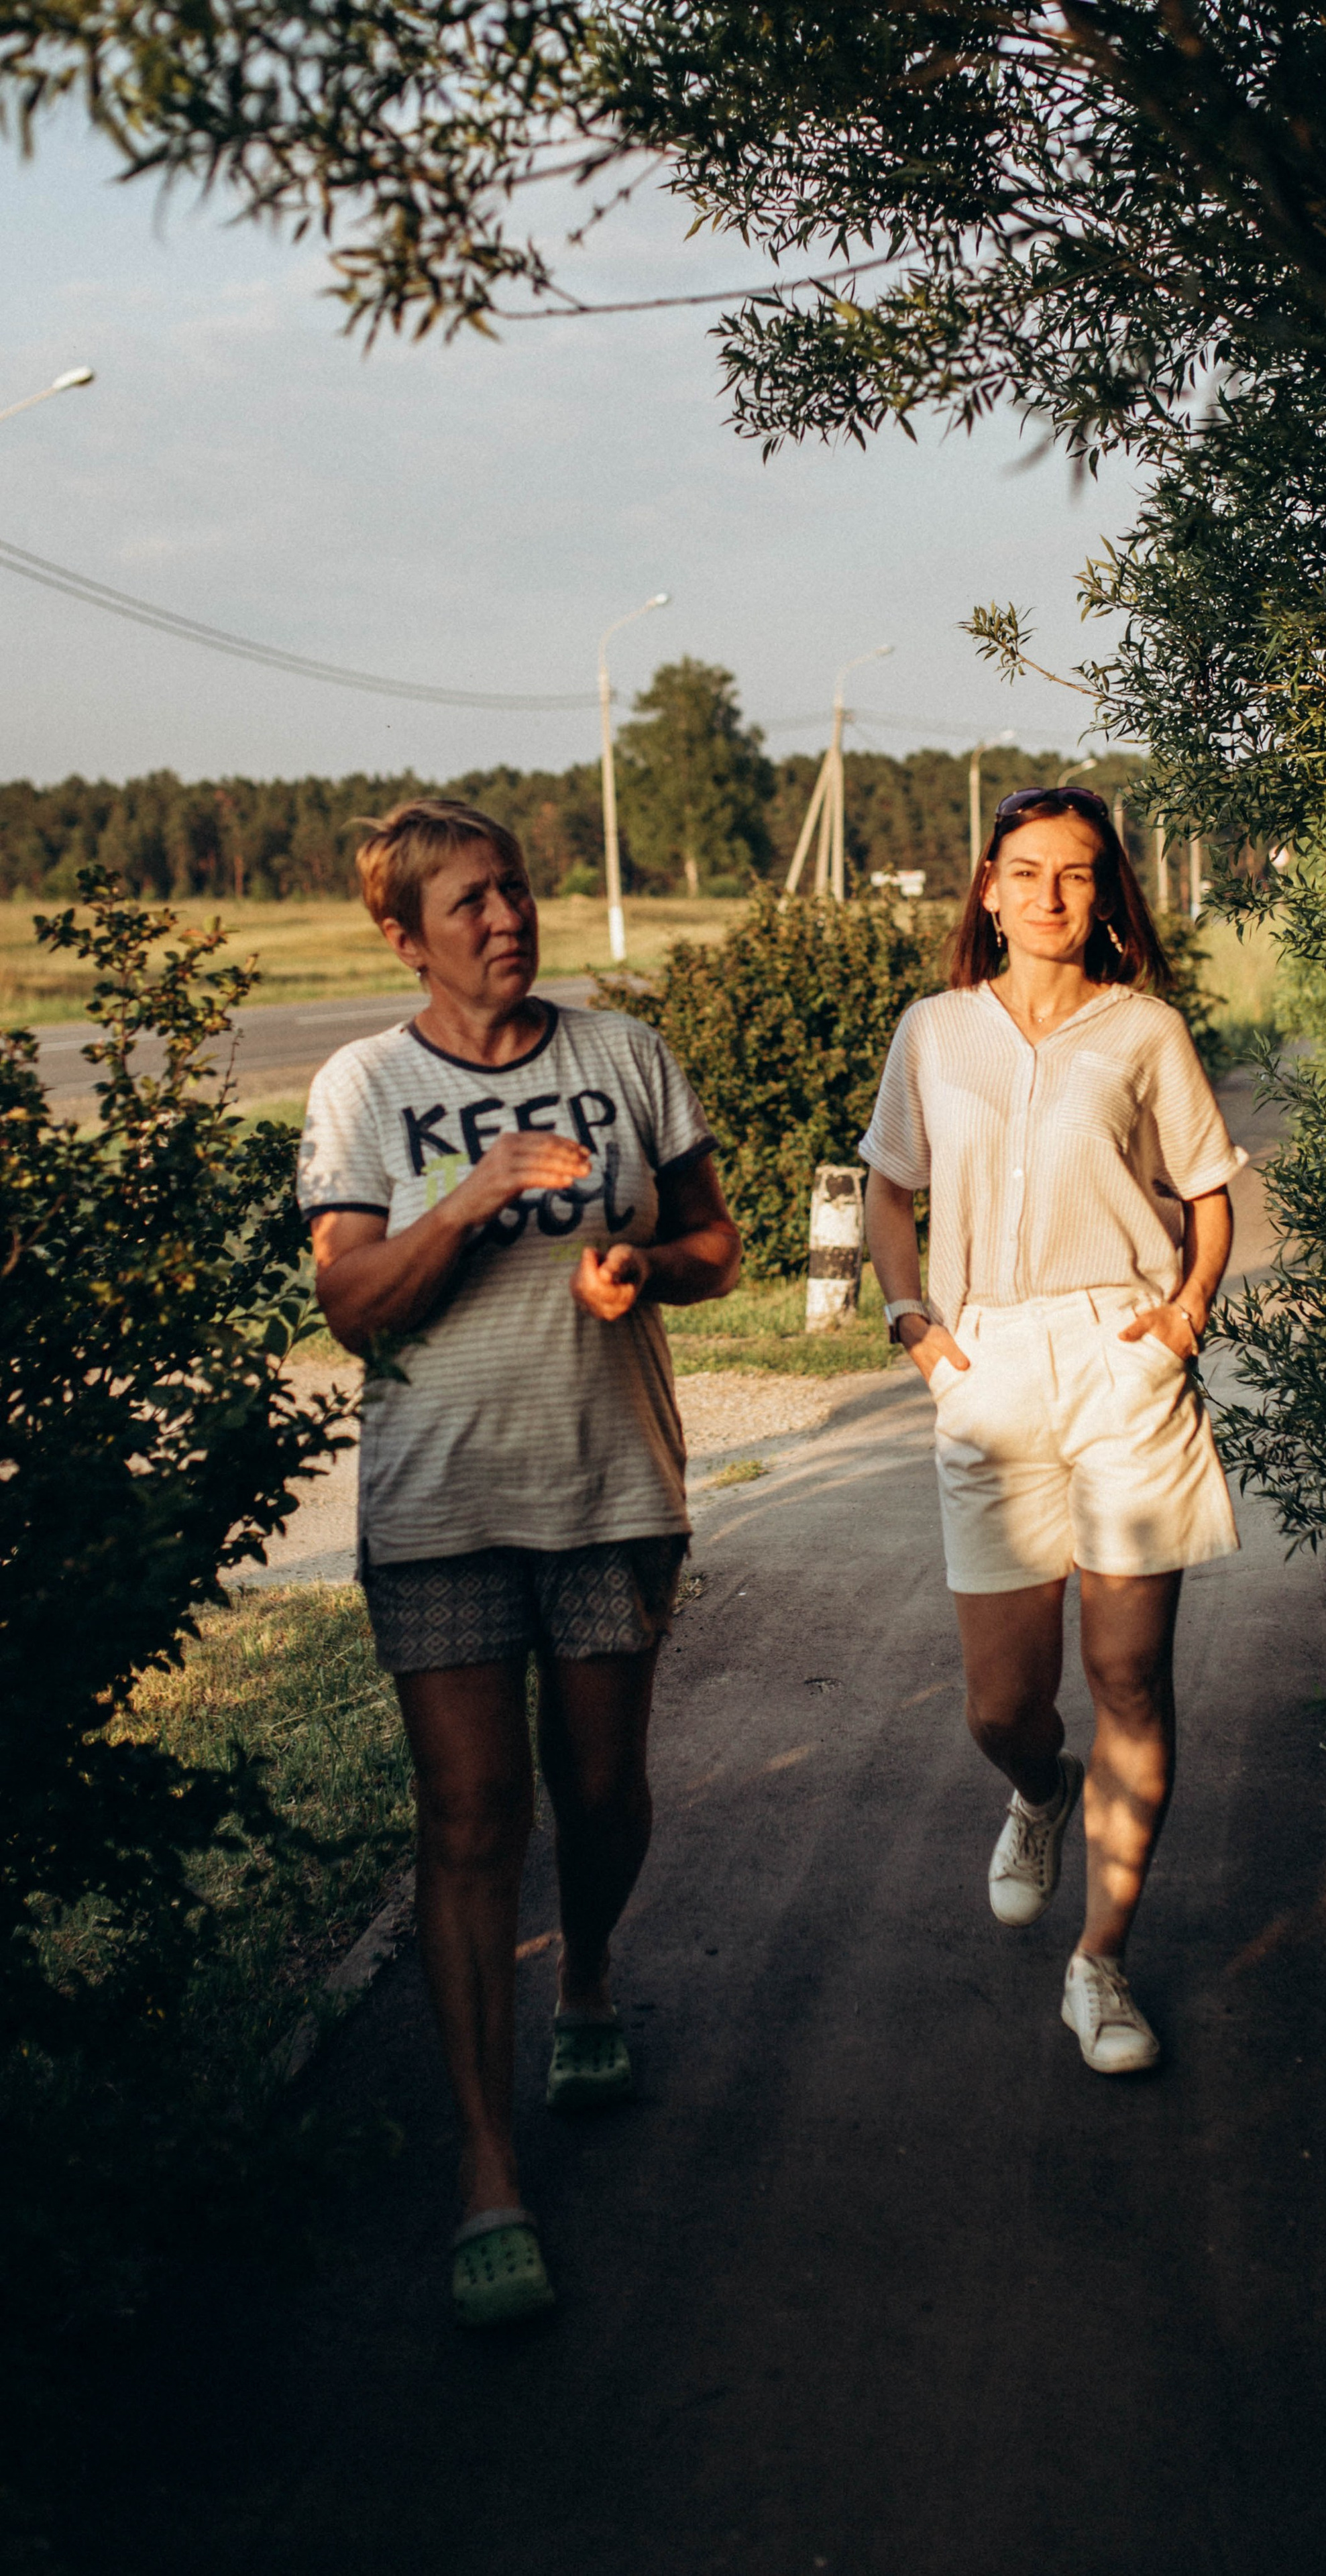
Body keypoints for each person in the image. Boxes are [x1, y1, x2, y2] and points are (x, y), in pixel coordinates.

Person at [297, 797, 740, 2326]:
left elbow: (715, 1245)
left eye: (514, 889)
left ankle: (588, 1973)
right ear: (402, 934)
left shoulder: (624, 1056)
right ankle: (488, 2166)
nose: (505, 917)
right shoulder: (366, 1084)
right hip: (440, 1504)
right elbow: (352, 1301)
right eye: (469, 902)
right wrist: (478, 1196)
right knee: (472, 1815)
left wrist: (645, 1266)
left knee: (602, 1793)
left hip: (610, 1485)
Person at [861, 785, 1246, 2074]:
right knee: (1002, 1704)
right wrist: (914, 1323)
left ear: (1106, 895)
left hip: (1121, 1355)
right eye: (1025, 871)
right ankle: (1039, 1790)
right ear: (987, 888)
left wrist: (1186, 1311)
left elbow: (1205, 1187)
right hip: (986, 1360)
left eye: (1076, 873)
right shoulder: (934, 1031)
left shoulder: (1145, 1031)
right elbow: (891, 1188)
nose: (1049, 895)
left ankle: (1102, 1961)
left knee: (1129, 1673)